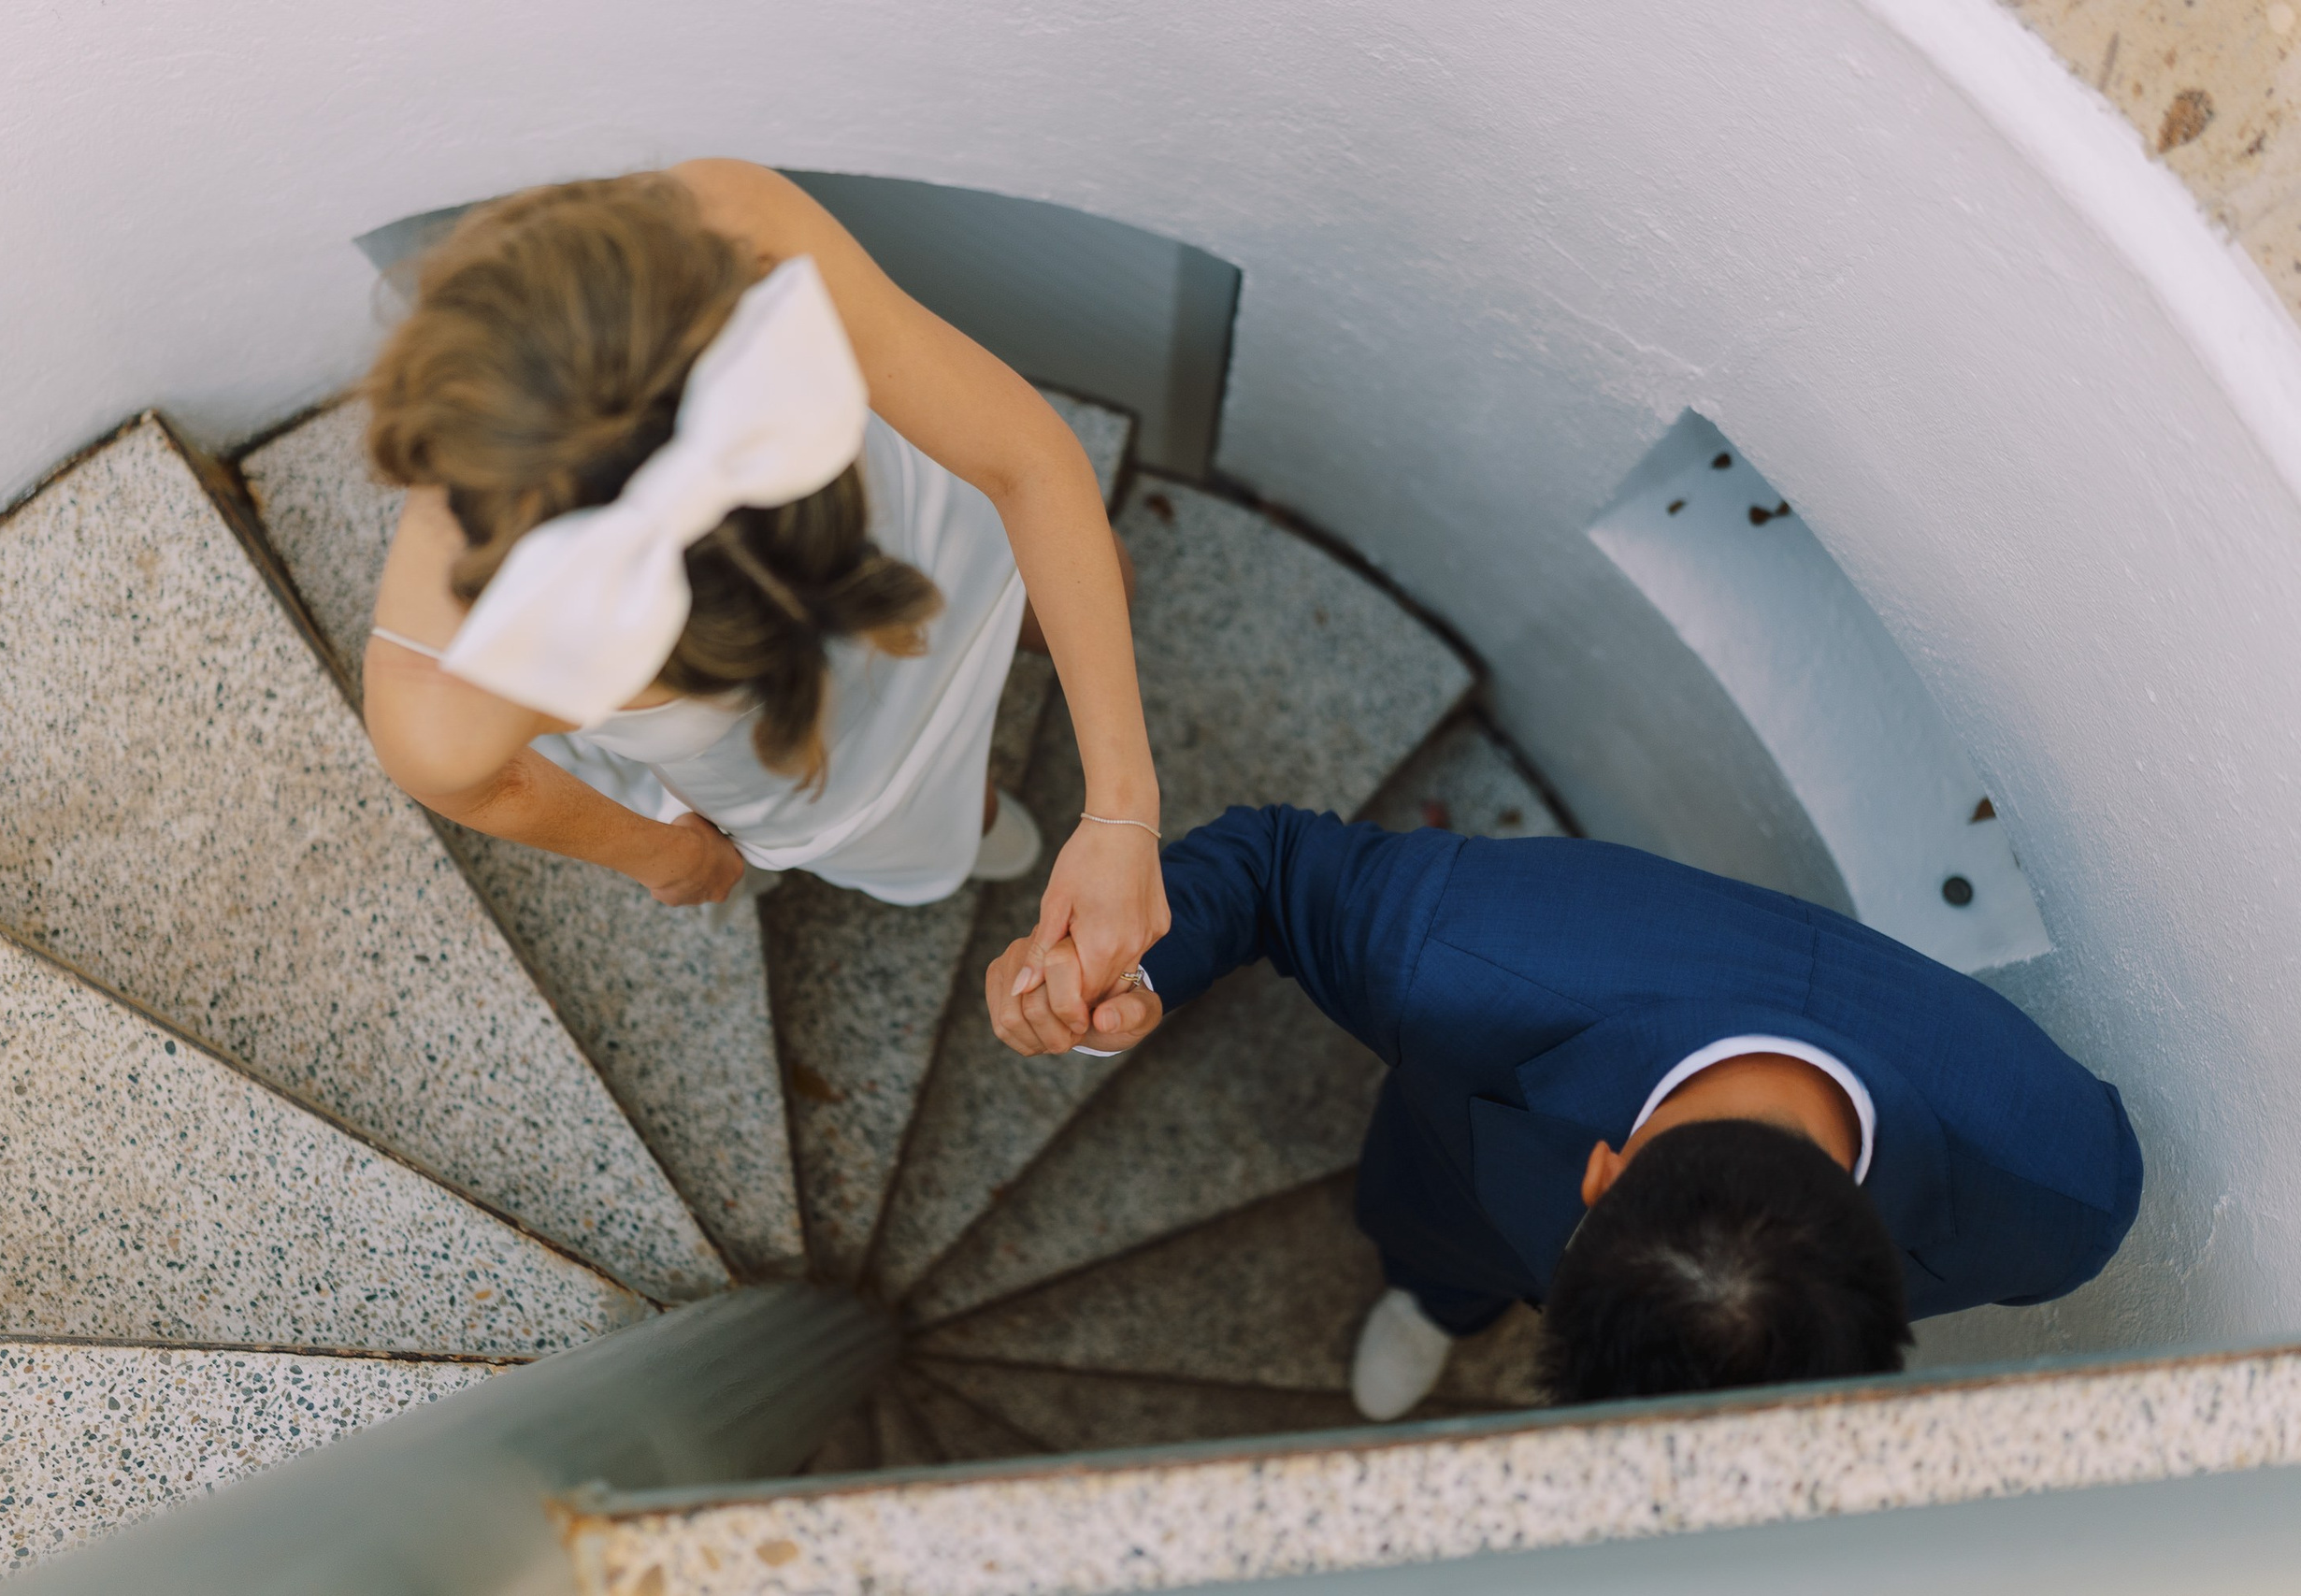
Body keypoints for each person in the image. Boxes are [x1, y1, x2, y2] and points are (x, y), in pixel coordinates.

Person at [986, 806, 2143, 1417]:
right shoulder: (1460, 955)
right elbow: (1278, 867)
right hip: (1456, 1166)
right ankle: (1434, 1300)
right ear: (1592, 1177)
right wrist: (1124, 981)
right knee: (1431, 1243)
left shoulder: (2063, 1196)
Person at [359, 165, 1167, 995]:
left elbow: (1024, 467)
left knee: (1092, 573)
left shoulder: (719, 225)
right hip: (819, 767)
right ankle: (968, 816)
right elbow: (494, 786)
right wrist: (667, 851)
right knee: (934, 816)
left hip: (930, 526)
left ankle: (1015, 669)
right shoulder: (438, 698)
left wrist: (1123, 803)